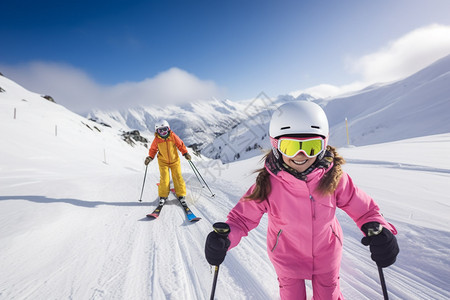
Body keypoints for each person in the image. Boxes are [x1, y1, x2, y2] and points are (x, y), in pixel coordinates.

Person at [204, 101, 399, 300]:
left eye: (311, 147)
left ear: (324, 145)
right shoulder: (268, 184)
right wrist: (225, 239)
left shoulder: (334, 178)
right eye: (290, 147)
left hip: (326, 255)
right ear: (276, 146)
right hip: (286, 258)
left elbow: (365, 211)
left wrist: (380, 230)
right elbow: (241, 220)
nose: (301, 155)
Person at [145, 120, 191, 204]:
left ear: (168, 129)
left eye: (165, 129)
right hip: (163, 162)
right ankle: (163, 196)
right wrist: (150, 157)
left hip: (175, 161)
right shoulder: (157, 140)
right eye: (160, 130)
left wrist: (185, 153)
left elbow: (180, 144)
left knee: (177, 177)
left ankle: (181, 195)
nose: (163, 132)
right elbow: (153, 149)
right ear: (157, 131)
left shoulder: (173, 136)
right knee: (164, 179)